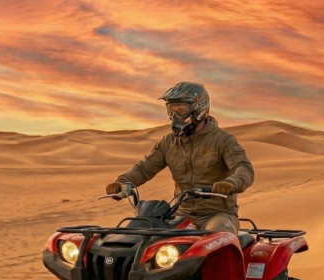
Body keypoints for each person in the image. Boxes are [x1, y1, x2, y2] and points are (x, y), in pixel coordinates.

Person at [105, 81, 254, 235]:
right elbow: (144, 168)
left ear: (199, 110)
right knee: (141, 237)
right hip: (181, 215)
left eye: (181, 111)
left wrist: (229, 184)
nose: (175, 117)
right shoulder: (169, 142)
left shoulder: (223, 140)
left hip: (218, 215)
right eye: (171, 111)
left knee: (217, 240)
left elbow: (244, 169)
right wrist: (122, 182)